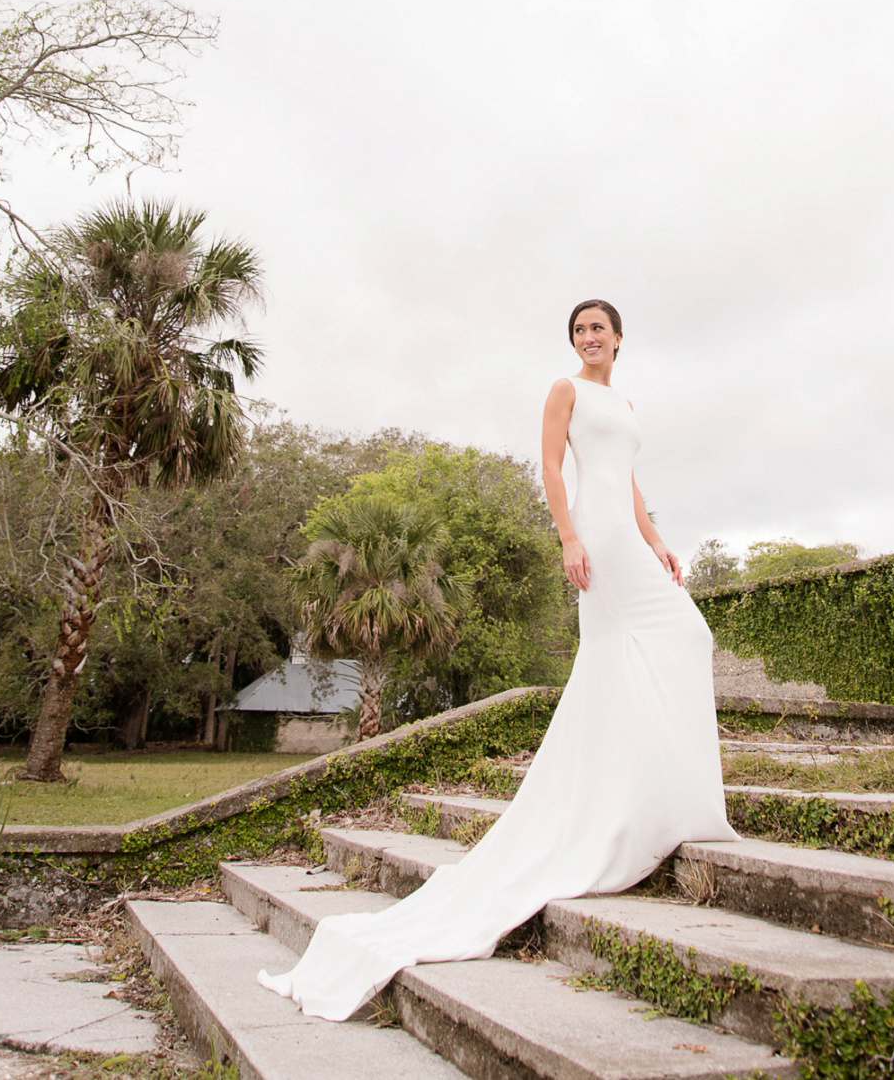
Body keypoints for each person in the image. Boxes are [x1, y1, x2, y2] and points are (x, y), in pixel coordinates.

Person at [257, 297, 738, 1020]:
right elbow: (552, 467)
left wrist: (658, 539)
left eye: (598, 328)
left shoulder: (624, 398)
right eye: (579, 330)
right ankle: (634, 796)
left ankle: (653, 787)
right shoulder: (565, 390)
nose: (589, 338)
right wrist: (569, 539)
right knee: (641, 645)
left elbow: (628, 481)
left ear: (619, 337)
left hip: (629, 534)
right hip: (595, 538)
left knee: (681, 637)